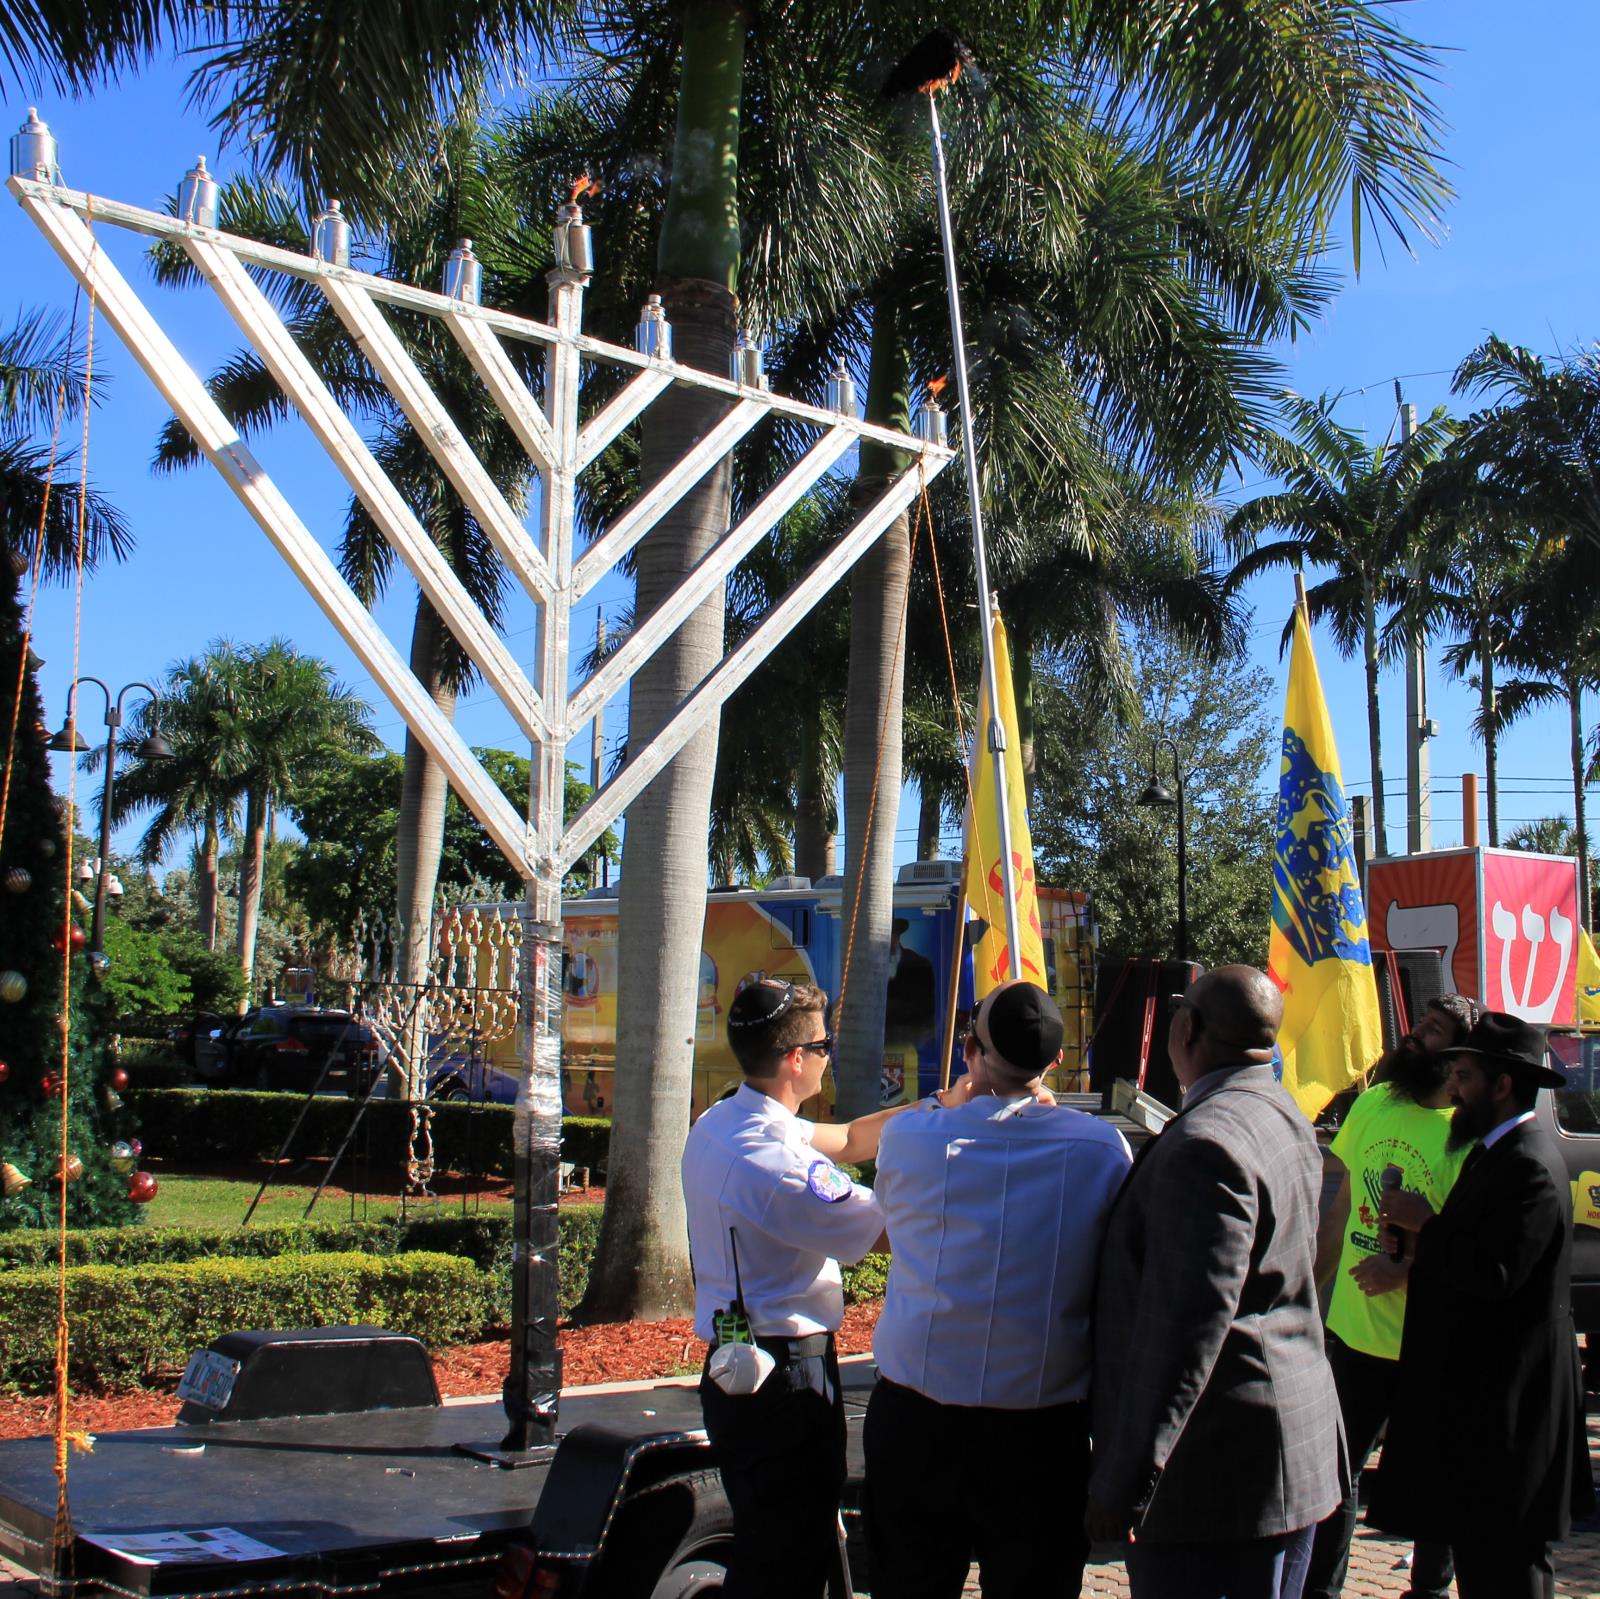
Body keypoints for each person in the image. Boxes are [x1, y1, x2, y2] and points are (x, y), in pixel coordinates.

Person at [862, 980, 1132, 1598]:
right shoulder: (1101, 1149)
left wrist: (957, 1096)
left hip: (919, 1421)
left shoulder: (911, 1137)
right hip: (1039, 1434)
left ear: (972, 1053)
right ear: (1056, 1063)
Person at [1086, 964, 1344, 1599]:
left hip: (1218, 1477)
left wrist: (1124, 1482)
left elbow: (1186, 1329)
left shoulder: (1207, 1145)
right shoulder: (1277, 1109)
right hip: (1282, 1451)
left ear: (1187, 1027)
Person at [681, 977, 924, 1599]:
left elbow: (845, 1139)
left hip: (741, 1365)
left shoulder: (725, 1120)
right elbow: (886, 1229)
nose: (828, 1055)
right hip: (785, 1376)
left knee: (771, 1542)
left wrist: (936, 1109)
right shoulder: (778, 1167)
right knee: (784, 1559)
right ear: (796, 1059)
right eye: (825, 1045)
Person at [1369, 1011, 1594, 1599]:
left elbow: (1496, 1273)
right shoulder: (1491, 1152)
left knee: (1506, 1571)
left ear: (1500, 1085)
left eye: (1464, 1077)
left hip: (1512, 1414)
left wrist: (1428, 1226)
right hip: (1480, 1411)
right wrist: (1416, 1238)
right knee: (1481, 1560)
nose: (1451, 1091)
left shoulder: (1530, 1166)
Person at [1304, 993, 1479, 1599]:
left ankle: (1429, 1587)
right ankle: (1320, 1590)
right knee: (1335, 1473)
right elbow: (1343, 1203)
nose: (1414, 1035)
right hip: (1356, 1334)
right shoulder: (1376, 1102)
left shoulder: (1466, 1137)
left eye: (1433, 1032)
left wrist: (1403, 1274)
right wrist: (1310, 1291)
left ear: (1458, 1056)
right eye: (1419, 1024)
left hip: (1432, 1340)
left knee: (1436, 1475)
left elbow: (1475, 1247)